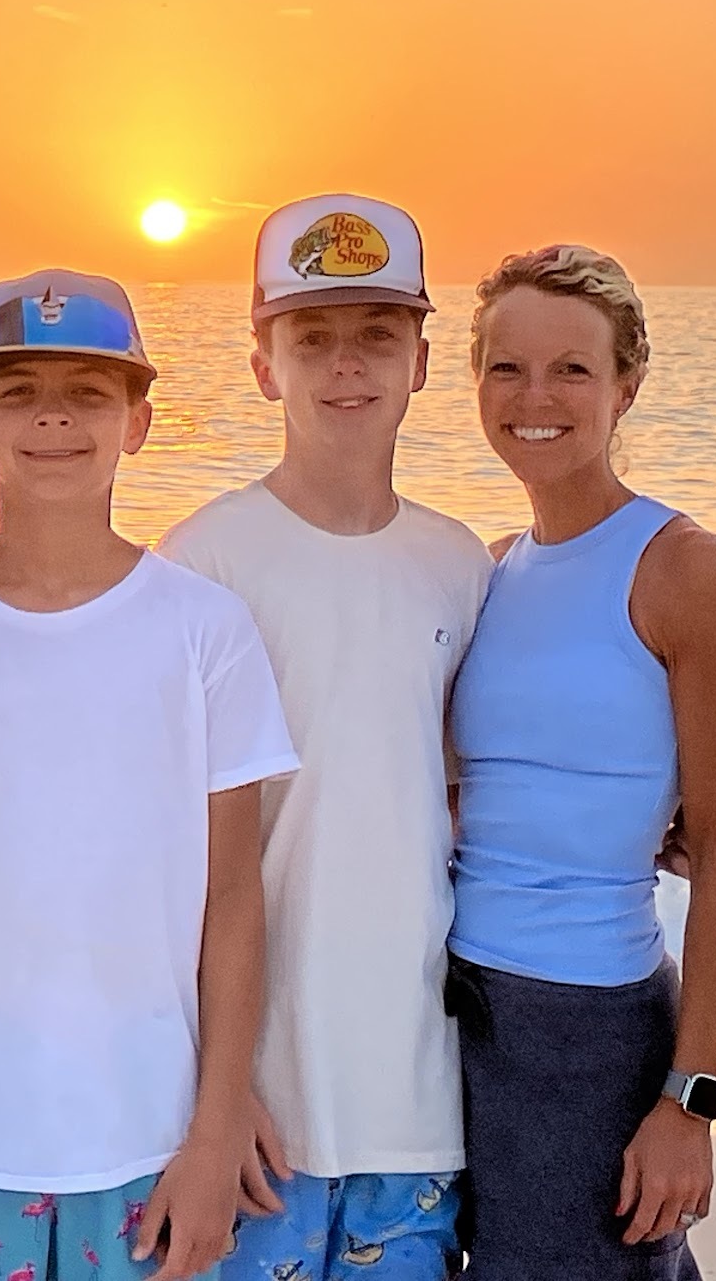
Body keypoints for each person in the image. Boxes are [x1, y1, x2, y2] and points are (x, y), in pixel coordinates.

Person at [0, 270, 301, 1281]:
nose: (53, 417)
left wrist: (213, 1132)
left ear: (138, 422)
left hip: (150, 1142)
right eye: (18, 392)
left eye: (89, 393)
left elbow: (233, 899)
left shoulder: (203, 628)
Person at [160, 195, 493, 1281]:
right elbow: (161, 853)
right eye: (311, 338)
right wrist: (213, 1094)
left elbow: (468, 786)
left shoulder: (459, 566)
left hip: (414, 1104)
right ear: (263, 364)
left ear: (421, 362)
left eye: (378, 334)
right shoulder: (203, 563)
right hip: (257, 1112)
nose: (346, 364)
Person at [446, 245, 716, 1280]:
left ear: (625, 386)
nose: (533, 398)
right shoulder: (488, 569)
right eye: (506, 367)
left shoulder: (688, 570)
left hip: (585, 1029)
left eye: (571, 370)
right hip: (450, 1009)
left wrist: (689, 1101)